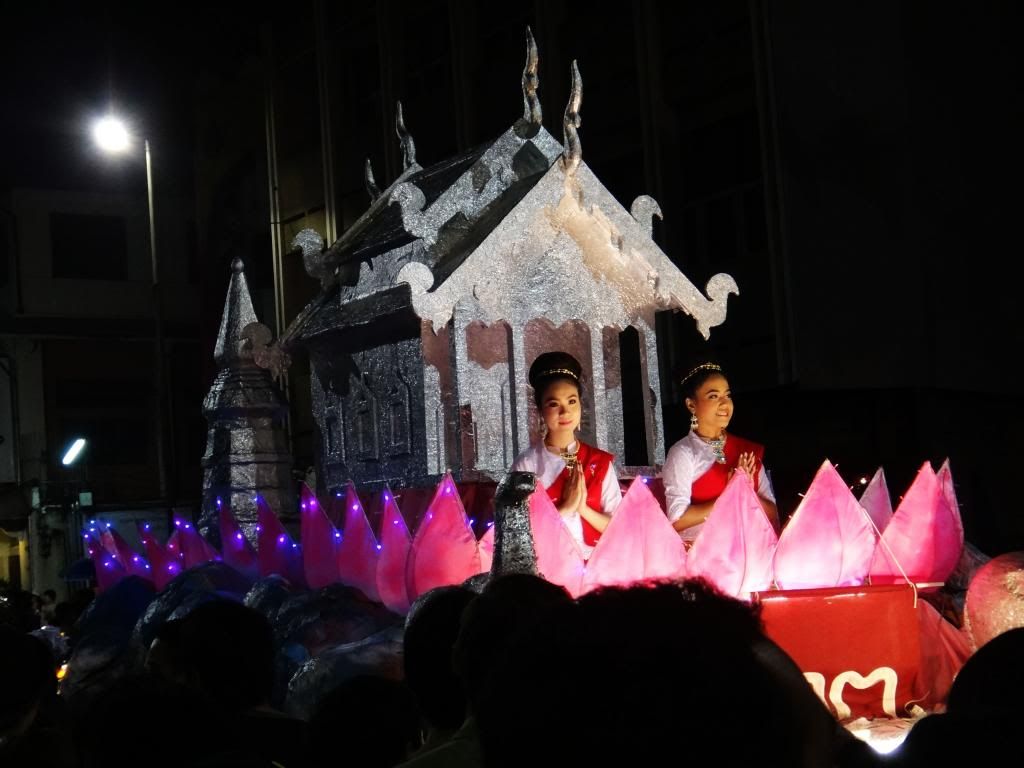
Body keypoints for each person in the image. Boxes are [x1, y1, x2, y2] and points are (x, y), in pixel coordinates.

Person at [510, 351, 621, 556]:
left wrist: (583, 509)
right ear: (540, 411)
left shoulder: (600, 462)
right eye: (554, 404)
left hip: (595, 564)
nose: (565, 412)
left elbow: (618, 527)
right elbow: (517, 532)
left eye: (572, 401)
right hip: (546, 564)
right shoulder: (526, 465)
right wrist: (565, 509)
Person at [662, 361, 778, 543]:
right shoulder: (683, 453)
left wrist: (746, 492)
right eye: (713, 396)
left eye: (727, 395)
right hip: (702, 551)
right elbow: (677, 520)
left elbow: (772, 513)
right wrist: (729, 495)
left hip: (749, 547)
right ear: (691, 405)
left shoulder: (745, 451)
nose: (725, 403)